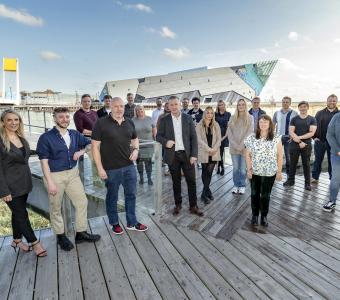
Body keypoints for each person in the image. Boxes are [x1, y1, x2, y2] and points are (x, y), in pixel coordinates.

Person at [37, 107, 101, 251]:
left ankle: (81, 233)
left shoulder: (74, 134)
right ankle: (60, 236)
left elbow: (90, 144)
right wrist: (50, 182)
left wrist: (81, 151)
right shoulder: (46, 137)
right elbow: (44, 162)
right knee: (56, 207)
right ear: (54, 118)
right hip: (54, 176)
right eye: (61, 117)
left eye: (67, 117)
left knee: (82, 202)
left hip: (73, 174)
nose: (64, 120)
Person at [92, 97, 148, 235]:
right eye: (116, 106)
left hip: (129, 166)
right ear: (110, 106)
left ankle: (132, 222)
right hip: (110, 169)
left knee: (131, 195)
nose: (119, 109)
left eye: (121, 106)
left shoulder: (129, 122)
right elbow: (94, 147)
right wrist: (99, 168)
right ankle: (114, 222)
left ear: (124, 107)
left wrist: (136, 150)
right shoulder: (101, 123)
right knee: (112, 197)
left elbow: (135, 139)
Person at [0, 109, 47, 257]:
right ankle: (35, 243)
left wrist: (45, 151)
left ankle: (16, 240)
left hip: (24, 183)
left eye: (16, 120)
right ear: (2, 122)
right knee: (22, 214)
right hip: (9, 186)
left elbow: (24, 154)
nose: (14, 123)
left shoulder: (21, 137)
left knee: (17, 213)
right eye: (9, 120)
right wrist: (3, 191)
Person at [156, 96, 204, 216]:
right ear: (168, 106)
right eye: (171, 105)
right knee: (176, 182)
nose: (173, 107)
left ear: (180, 105)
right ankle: (178, 204)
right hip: (173, 156)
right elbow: (158, 136)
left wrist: (194, 155)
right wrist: (166, 142)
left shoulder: (188, 118)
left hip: (187, 155)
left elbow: (194, 138)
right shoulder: (164, 120)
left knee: (191, 181)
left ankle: (193, 206)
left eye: (176, 104)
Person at [244, 115, 283, 227]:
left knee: (265, 196)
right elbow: (247, 155)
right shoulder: (251, 137)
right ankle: (255, 215)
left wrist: (279, 172)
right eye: (261, 122)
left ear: (270, 124)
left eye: (266, 122)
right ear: (258, 124)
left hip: (270, 172)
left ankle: (264, 216)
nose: (263, 124)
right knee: (254, 194)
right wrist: (249, 169)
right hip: (255, 171)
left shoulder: (276, 138)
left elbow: (280, 155)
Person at [283, 101, 317, 191]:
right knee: (292, 163)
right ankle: (291, 181)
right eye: (301, 107)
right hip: (294, 144)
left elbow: (311, 133)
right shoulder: (294, 119)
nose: (303, 108)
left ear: (307, 108)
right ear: (299, 108)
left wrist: (300, 138)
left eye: (305, 106)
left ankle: (307, 183)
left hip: (306, 144)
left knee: (306, 164)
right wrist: (299, 141)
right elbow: (291, 131)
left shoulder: (312, 119)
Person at [227, 99, 254, 194]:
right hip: (234, 148)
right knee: (235, 168)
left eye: (243, 104)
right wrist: (235, 145)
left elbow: (250, 132)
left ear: (245, 106)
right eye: (239, 105)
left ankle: (242, 185)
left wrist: (241, 145)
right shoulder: (232, 117)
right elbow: (229, 132)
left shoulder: (250, 118)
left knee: (243, 169)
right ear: (237, 106)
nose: (241, 106)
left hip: (245, 148)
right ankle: (236, 185)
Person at [196, 107, 221, 204]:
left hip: (214, 152)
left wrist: (214, 149)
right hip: (204, 152)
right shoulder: (199, 125)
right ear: (204, 113)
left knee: (209, 172)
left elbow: (219, 139)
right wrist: (208, 149)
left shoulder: (216, 124)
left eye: (211, 113)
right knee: (205, 172)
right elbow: (198, 139)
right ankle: (207, 191)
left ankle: (204, 193)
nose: (209, 115)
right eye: (208, 113)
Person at [312, 94, 339, 183]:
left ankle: (332, 178)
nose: (332, 102)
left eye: (334, 100)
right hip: (320, 141)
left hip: (333, 143)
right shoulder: (319, 113)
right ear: (327, 101)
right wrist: (314, 137)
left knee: (333, 161)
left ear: (337, 102)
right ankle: (315, 177)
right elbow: (313, 126)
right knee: (318, 160)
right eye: (330, 100)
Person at [273, 96, 298, 175]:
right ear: (281, 103)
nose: (285, 103)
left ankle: (289, 176)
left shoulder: (294, 113)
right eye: (283, 102)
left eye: (287, 102)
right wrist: (272, 135)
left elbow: (297, 126)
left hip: (289, 138)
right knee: (275, 156)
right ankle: (274, 174)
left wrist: (293, 136)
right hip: (278, 138)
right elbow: (273, 124)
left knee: (289, 157)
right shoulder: (277, 113)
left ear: (290, 103)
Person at [133, 105, 156, 185]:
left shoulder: (149, 118)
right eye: (137, 110)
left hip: (148, 145)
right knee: (139, 163)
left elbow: (154, 130)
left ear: (143, 110)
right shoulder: (133, 120)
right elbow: (131, 133)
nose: (140, 111)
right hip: (138, 145)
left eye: (141, 109)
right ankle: (141, 178)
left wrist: (155, 140)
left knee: (148, 162)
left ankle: (149, 178)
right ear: (136, 112)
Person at [323, 112, 340, 211]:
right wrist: (338, 151)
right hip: (337, 154)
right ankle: (332, 201)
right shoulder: (336, 117)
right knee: (335, 179)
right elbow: (329, 134)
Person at [215, 100, 231, 175]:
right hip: (216, 135)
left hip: (225, 135)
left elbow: (229, 126)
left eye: (222, 105)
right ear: (218, 106)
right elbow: (213, 126)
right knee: (218, 152)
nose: (221, 106)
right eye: (219, 105)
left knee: (221, 152)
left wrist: (224, 136)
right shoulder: (215, 114)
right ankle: (220, 167)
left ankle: (220, 167)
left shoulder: (228, 114)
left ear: (224, 105)